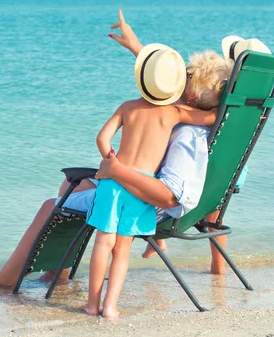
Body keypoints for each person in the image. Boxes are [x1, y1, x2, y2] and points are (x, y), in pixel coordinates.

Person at [0, 10, 233, 288]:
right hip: (151, 196)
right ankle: (58, 273)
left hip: (145, 205)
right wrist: (137, 49)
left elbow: (170, 197)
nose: (178, 80)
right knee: (72, 184)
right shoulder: (196, 117)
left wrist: (117, 170)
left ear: (190, 95)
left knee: (50, 206)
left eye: (185, 77)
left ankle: (2, 282)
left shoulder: (187, 133)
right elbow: (161, 85)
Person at [84, 44, 218, 318]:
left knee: (102, 243)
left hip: (113, 181)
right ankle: (110, 307)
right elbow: (212, 117)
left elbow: (101, 138)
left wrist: (112, 162)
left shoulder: (127, 107)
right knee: (123, 248)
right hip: (142, 188)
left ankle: (91, 304)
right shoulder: (174, 113)